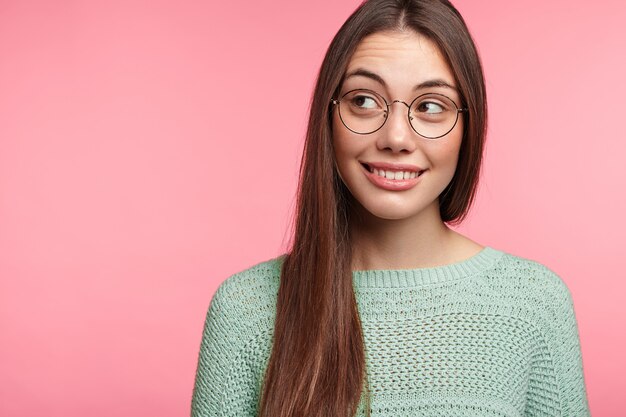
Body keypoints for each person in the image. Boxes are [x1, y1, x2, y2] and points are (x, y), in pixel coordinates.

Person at [191, 0, 591, 416]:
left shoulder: (533, 304)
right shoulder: (244, 310)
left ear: (469, 127)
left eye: (431, 106)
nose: (396, 137)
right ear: (328, 118)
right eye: (364, 101)